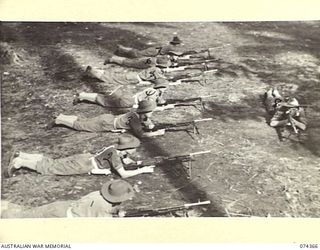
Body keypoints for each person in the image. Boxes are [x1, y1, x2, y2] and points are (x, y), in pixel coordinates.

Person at [7, 134, 155, 178]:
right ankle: (20, 162)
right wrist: (142, 170)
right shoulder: (116, 156)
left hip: (85, 157)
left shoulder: (114, 148)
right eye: (134, 148)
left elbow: (124, 159)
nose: (136, 150)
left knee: (54, 161)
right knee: (50, 168)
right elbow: (123, 174)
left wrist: (138, 163)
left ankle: (23, 154)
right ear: (128, 149)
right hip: (85, 165)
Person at [1, 180, 134, 218]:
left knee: (33, 213)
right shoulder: (103, 209)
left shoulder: (97, 193)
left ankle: (10, 209)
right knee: (23, 219)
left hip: (64, 206)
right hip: (63, 215)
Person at [49, 99, 165, 138]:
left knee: (84, 120)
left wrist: (148, 124)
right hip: (107, 124)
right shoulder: (135, 119)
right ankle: (59, 120)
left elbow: (144, 120)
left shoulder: (135, 113)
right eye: (151, 111)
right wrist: (156, 133)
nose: (152, 113)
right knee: (82, 126)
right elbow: (141, 134)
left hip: (108, 118)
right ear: (145, 112)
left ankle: (62, 116)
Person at [73, 78, 173, 111]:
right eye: (164, 88)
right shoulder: (154, 95)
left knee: (104, 98)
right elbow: (147, 106)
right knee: (105, 101)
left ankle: (83, 95)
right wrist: (162, 108)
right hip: (129, 101)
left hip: (129, 96)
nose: (165, 90)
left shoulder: (151, 89)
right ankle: (82, 96)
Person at [114, 36, 189, 58]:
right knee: (137, 54)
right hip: (154, 51)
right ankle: (121, 49)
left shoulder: (170, 46)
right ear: (176, 43)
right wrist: (181, 55)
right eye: (179, 43)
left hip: (154, 49)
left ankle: (122, 49)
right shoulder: (171, 47)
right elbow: (165, 53)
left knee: (138, 53)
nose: (179, 45)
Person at [83, 65, 164, 85]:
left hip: (134, 75)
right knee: (112, 79)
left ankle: (96, 71)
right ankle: (93, 71)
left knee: (114, 76)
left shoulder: (154, 68)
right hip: (134, 78)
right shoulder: (157, 72)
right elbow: (156, 80)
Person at [104, 54, 172, 69]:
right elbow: (147, 64)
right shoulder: (152, 62)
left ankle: (114, 59)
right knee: (128, 62)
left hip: (142, 61)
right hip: (139, 63)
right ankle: (112, 59)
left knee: (129, 61)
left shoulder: (155, 59)